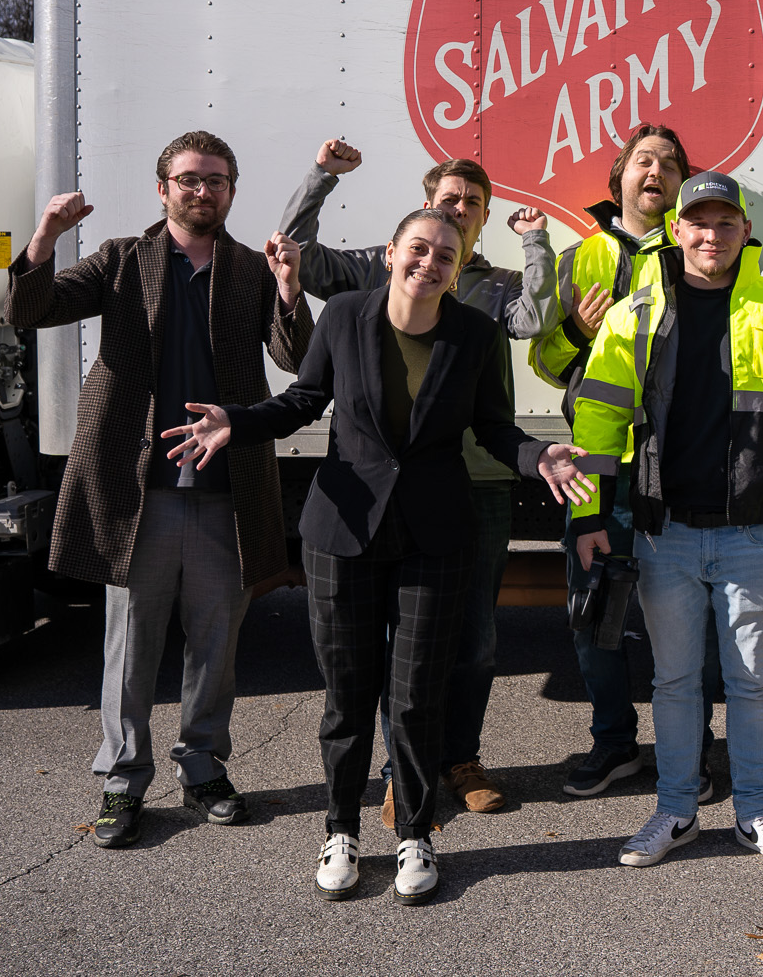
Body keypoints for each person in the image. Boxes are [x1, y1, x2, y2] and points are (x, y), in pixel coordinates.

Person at [165, 208, 593, 904]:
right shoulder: (344, 316)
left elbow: (493, 427)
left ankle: (415, 832)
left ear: (457, 269)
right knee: (347, 696)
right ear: (391, 253)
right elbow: (304, 400)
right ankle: (340, 830)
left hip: (434, 537)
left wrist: (536, 454)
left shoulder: (477, 333)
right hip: (343, 532)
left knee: (417, 695)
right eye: (418, 248)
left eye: (445, 255)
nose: (430, 262)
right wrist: (235, 421)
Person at [6, 131, 311, 849]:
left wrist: (290, 288)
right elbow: (31, 310)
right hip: (137, 489)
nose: (203, 190)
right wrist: (46, 236)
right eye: (189, 179)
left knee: (216, 643)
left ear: (231, 190)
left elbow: (294, 356)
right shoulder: (120, 260)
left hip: (226, 488)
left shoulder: (251, 267)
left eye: (216, 180)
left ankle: (203, 765)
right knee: (131, 644)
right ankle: (122, 778)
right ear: (163, 188)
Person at [568, 171, 763, 870]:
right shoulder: (636, 313)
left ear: (745, 231)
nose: (711, 234)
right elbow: (599, 418)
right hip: (666, 529)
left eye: (725, 222)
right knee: (674, 683)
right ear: (676, 230)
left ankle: (756, 813)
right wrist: (588, 514)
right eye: (698, 222)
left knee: (753, 684)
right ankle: (675, 811)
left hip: (754, 529)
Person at [280, 143, 557, 823]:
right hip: (386, 491)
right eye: (448, 199)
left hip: (478, 482)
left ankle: (460, 758)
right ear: (425, 205)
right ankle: (397, 774)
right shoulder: (380, 265)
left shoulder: (494, 284)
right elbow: (298, 253)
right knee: (388, 646)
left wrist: (537, 245)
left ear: (484, 216)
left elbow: (535, 320)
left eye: (472, 203)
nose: (458, 209)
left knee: (473, 639)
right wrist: (320, 179)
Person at [526, 124, 718, 802]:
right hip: (596, 459)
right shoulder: (582, 256)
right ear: (620, 178)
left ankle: (691, 748)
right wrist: (578, 331)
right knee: (594, 608)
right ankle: (614, 741)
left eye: (669, 163)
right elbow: (544, 362)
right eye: (643, 160)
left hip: (675, 461)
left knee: (684, 618)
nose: (655, 171)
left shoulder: (697, 250)